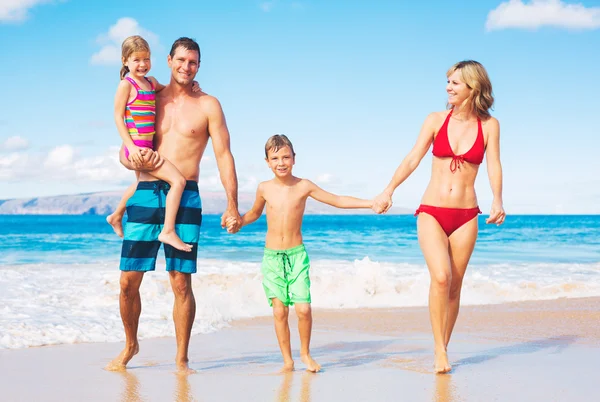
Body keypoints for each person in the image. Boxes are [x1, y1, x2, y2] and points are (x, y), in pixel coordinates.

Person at [105, 37, 241, 374]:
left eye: (193, 62)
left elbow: (224, 155)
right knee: (127, 282)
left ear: (198, 66)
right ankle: (130, 343)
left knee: (181, 281)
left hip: (187, 195)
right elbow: (126, 123)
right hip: (147, 191)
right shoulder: (151, 93)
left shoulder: (208, 104)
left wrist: (232, 204)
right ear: (168, 60)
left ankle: (181, 358)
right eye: (181, 60)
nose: (186, 67)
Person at [373, 60, 505, 374]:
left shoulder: (490, 126)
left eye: (455, 83)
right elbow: (413, 157)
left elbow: (494, 164)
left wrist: (498, 199)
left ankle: (443, 347)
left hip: (466, 215)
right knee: (441, 278)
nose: (448, 87)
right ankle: (438, 349)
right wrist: (389, 189)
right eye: (447, 82)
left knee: (455, 286)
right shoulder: (435, 120)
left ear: (473, 87)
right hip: (432, 211)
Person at [227, 134, 378, 373]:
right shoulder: (264, 188)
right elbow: (254, 214)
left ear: (294, 159)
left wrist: (370, 203)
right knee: (279, 311)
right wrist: (238, 223)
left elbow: (336, 200)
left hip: (297, 256)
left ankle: (305, 354)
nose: (281, 162)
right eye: (275, 158)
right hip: (273, 257)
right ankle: (287, 360)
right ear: (267, 161)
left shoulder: (303, 186)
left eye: (286, 156)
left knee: (303, 309)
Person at [106, 35, 201, 252]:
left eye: (146, 59)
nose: (142, 65)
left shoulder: (151, 83)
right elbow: (118, 117)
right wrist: (130, 147)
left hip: (146, 148)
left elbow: (171, 88)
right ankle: (168, 230)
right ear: (125, 61)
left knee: (142, 183)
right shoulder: (126, 85)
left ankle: (116, 215)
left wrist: (192, 84)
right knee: (178, 181)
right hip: (137, 149)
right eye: (136, 60)